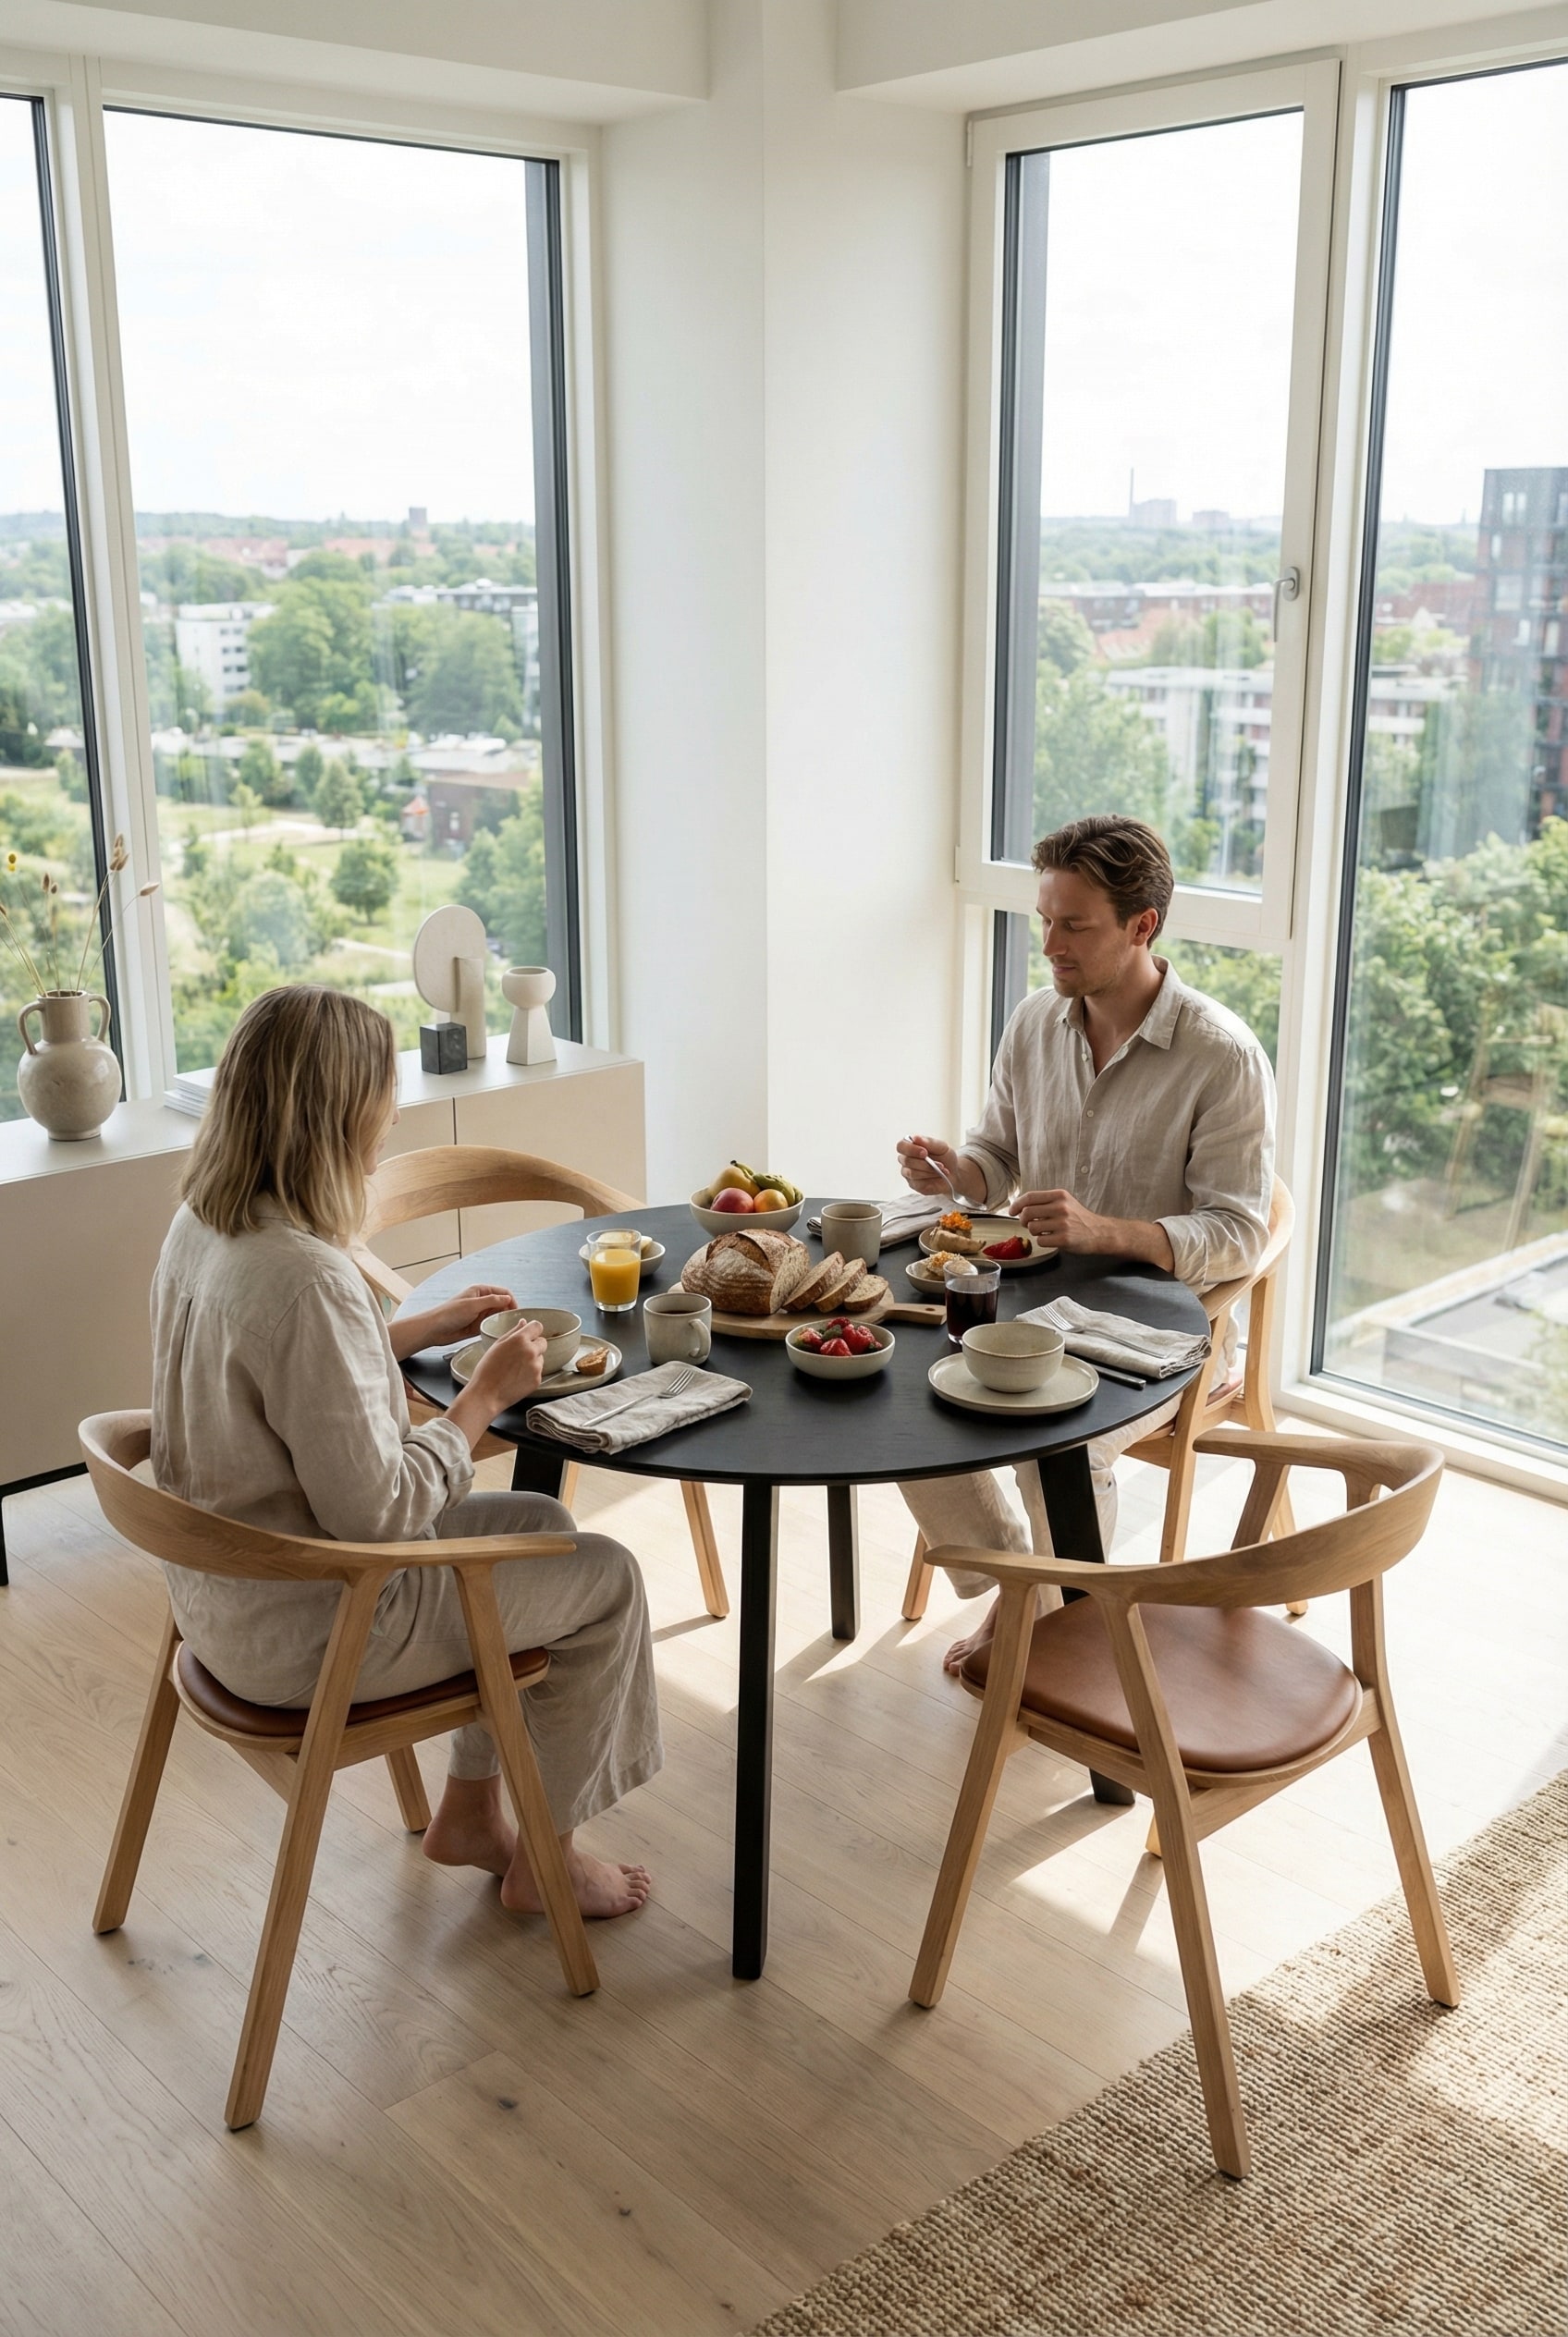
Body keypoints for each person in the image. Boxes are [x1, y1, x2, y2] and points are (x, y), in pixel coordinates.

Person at [150, 984, 661, 1921]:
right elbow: (379, 1513)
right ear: (340, 1112)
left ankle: (469, 1812)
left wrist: (411, 1328)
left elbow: (281, 1377)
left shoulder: (208, 1226)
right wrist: (483, 1397)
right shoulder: (307, 1277)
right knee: (607, 1579)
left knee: (540, 1520)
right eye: (384, 1095)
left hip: (222, 1606)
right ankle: (548, 1862)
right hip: (323, 1628)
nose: (393, 1117)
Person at [898, 814, 1275, 1673]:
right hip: (1031, 1306)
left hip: (1161, 1335)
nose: (1050, 945)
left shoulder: (1221, 1056)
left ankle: (1059, 1641)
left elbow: (1241, 1234)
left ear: (1143, 925)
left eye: (1074, 925)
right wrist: (957, 1171)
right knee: (901, 1401)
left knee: (1053, 1444)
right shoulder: (1036, 1020)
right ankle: (1018, 1587)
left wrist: (1108, 1233)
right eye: (1044, 919)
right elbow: (996, 1157)